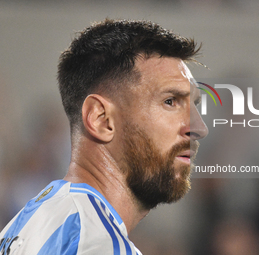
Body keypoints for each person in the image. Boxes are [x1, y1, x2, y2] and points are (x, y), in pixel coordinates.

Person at [0, 19, 208, 254]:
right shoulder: (95, 243)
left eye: (195, 105)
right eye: (170, 101)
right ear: (101, 119)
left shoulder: (26, 225)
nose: (199, 128)